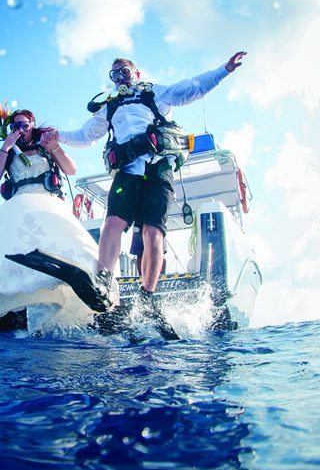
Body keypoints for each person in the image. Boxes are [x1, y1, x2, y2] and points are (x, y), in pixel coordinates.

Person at [43, 52, 246, 319]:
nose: (119, 78)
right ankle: (103, 280)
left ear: (136, 74)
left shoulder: (155, 94)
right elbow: (85, 136)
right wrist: (58, 136)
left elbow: (192, 88)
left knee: (152, 233)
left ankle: (147, 296)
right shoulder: (110, 107)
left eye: (124, 72)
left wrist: (224, 70)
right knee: (113, 223)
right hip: (127, 171)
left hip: (157, 167)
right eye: (114, 75)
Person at [0, 109, 117, 333]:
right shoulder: (9, 152)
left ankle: (91, 284)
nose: (20, 130)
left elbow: (71, 169)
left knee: (70, 239)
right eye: (15, 127)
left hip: (48, 200)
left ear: (32, 124)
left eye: (24, 125)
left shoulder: (45, 146)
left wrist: (54, 147)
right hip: (19, 202)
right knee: (11, 226)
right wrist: (6, 147)